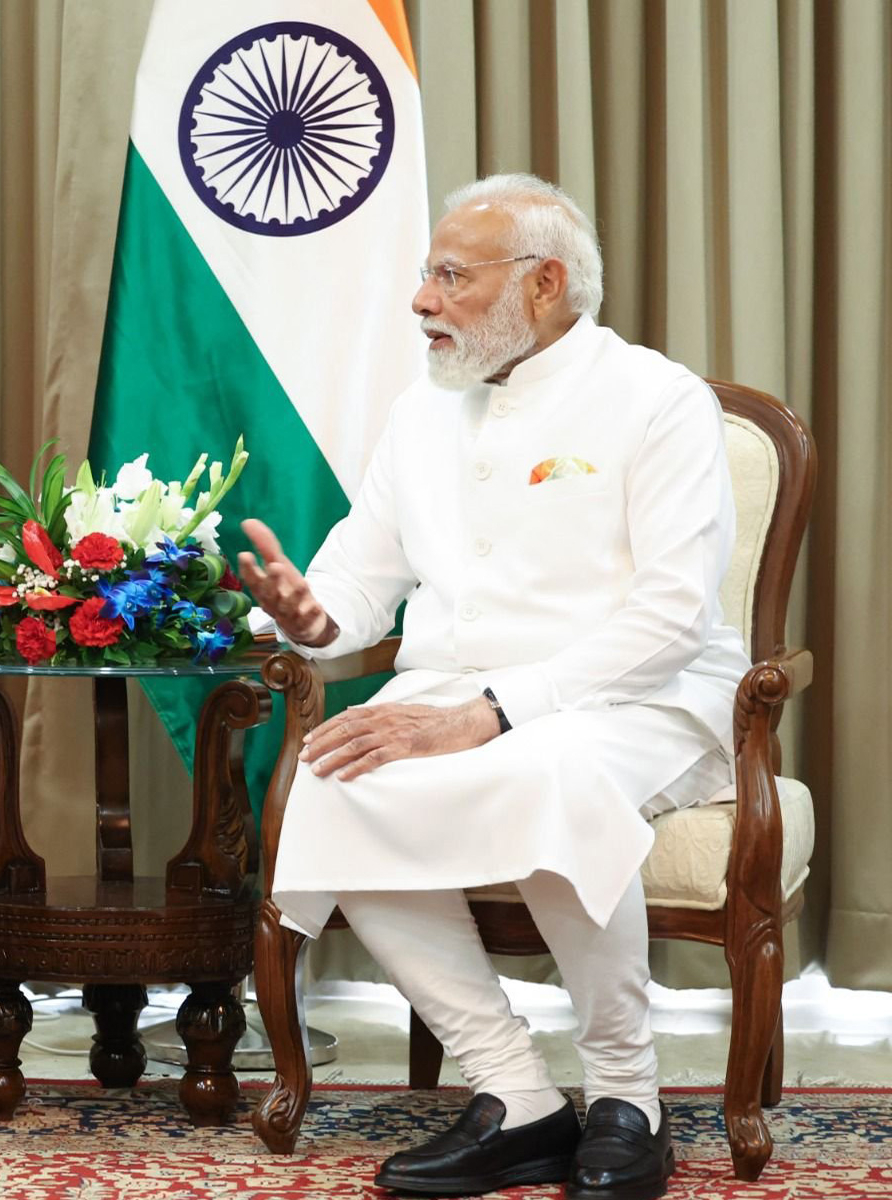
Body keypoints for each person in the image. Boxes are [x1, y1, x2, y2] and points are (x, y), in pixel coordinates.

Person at [237, 173, 747, 1200]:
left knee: (549, 771)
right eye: (425, 274)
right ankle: (514, 1093)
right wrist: (310, 618)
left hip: (632, 695)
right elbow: (358, 585)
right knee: (332, 780)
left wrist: (493, 713)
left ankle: (624, 1096)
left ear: (545, 283)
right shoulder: (418, 418)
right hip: (451, 689)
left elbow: (668, 616)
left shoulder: (658, 401)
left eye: (449, 276)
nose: (421, 300)